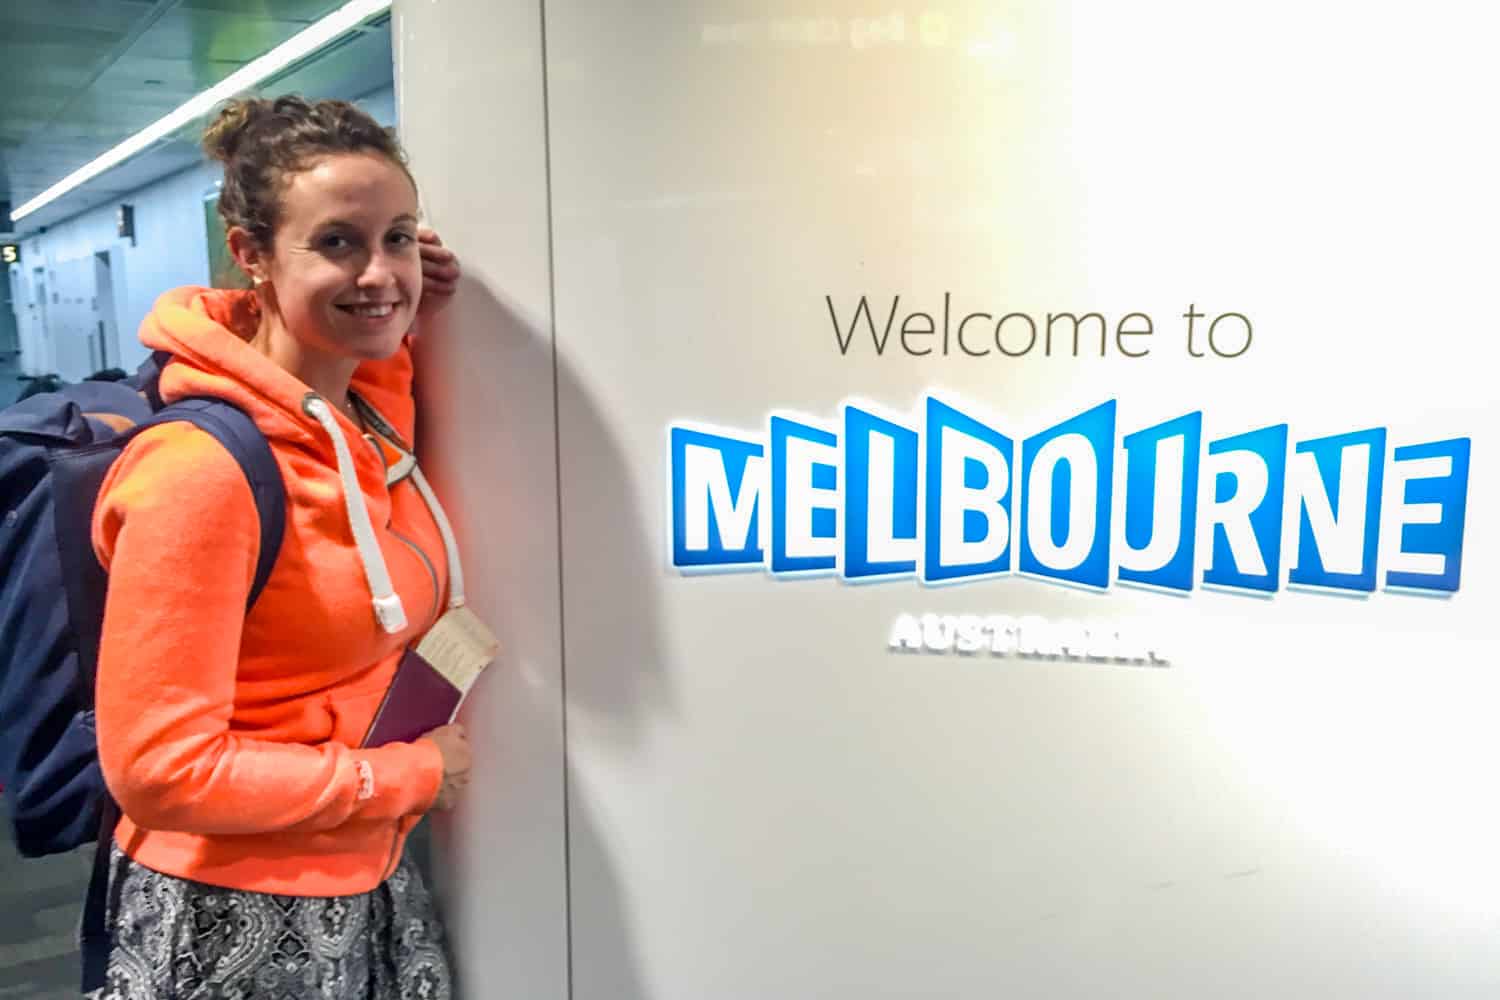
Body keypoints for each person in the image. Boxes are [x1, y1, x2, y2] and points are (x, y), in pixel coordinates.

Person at [88, 95, 472, 999]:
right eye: (337, 241)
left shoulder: (365, 418)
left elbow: (364, 345)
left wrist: (413, 288)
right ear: (250, 253)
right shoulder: (200, 474)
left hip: (366, 878)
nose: (379, 271)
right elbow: (157, 770)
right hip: (225, 916)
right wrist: (402, 775)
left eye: (400, 237)